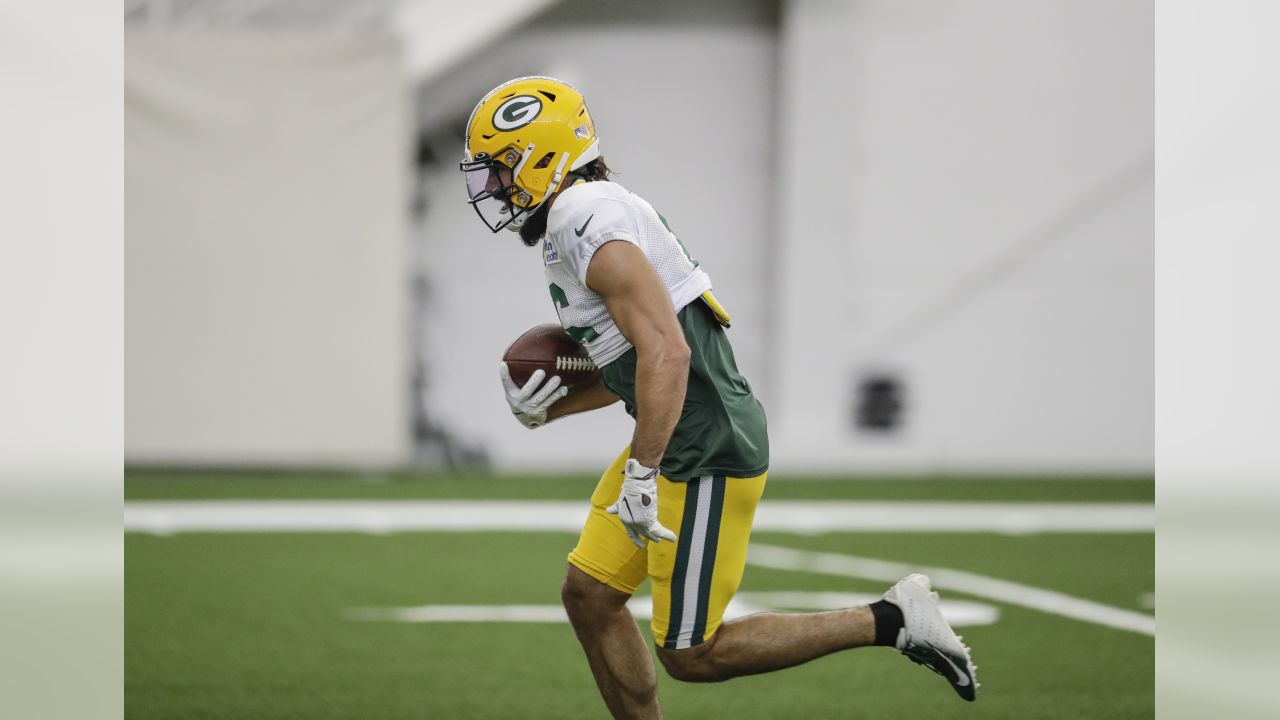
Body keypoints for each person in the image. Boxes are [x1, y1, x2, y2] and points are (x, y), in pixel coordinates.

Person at [460, 76, 978, 719]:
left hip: (704, 447)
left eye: (503, 168)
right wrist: (554, 404)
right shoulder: (588, 215)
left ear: (544, 156)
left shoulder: (582, 219)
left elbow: (671, 354)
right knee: (589, 595)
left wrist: (644, 471)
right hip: (683, 430)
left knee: (691, 653)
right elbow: (635, 364)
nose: (498, 188)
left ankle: (891, 619)